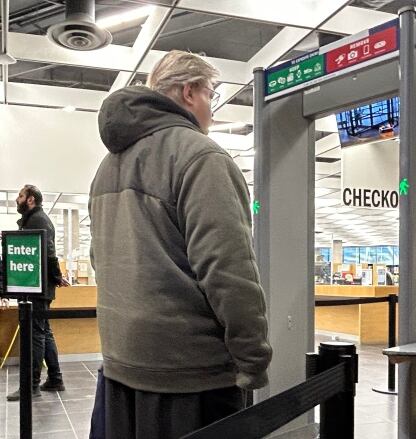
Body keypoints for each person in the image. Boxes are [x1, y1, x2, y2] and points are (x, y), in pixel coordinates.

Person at [89, 50, 272, 438]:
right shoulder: (201, 157)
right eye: (211, 95)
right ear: (189, 92)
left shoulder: (107, 166)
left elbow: (98, 260)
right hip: (189, 378)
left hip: (120, 367)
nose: (213, 109)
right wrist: (252, 359)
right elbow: (228, 270)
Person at [8, 185, 69, 401]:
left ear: (30, 199)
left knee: (35, 335)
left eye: (21, 195)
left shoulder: (38, 220)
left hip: (37, 287)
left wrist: (55, 274)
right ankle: (55, 378)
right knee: (44, 332)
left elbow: (49, 252)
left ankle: (31, 386)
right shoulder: (34, 219)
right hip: (39, 286)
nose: (17, 199)